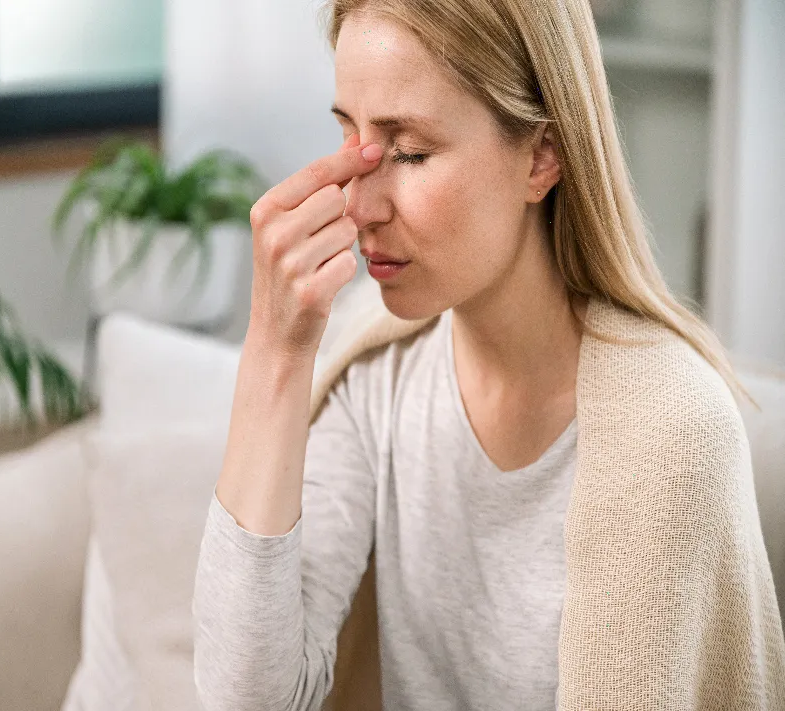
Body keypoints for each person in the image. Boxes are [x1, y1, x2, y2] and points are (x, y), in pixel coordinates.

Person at [192, 1, 785, 709]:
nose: (359, 206)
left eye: (408, 152)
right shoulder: (373, 372)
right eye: (350, 141)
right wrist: (275, 355)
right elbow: (246, 698)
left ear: (542, 156)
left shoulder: (673, 430)